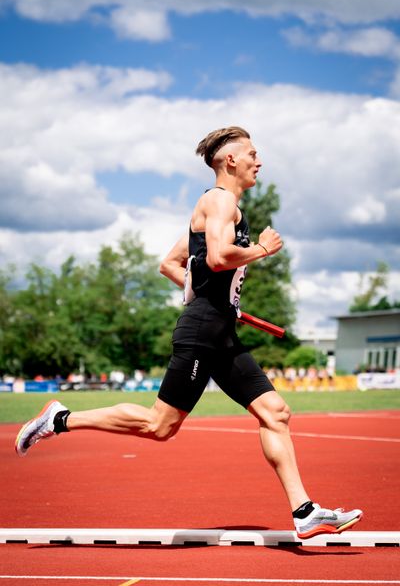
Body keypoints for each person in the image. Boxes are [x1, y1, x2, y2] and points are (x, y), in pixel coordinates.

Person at [15, 126, 362, 539]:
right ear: (230, 160)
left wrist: (218, 297)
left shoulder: (220, 208)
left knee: (276, 413)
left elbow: (171, 264)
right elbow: (217, 258)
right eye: (252, 153)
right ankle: (61, 418)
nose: (259, 161)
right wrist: (262, 250)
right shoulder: (219, 202)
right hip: (201, 332)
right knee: (159, 426)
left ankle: (304, 512)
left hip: (221, 333)